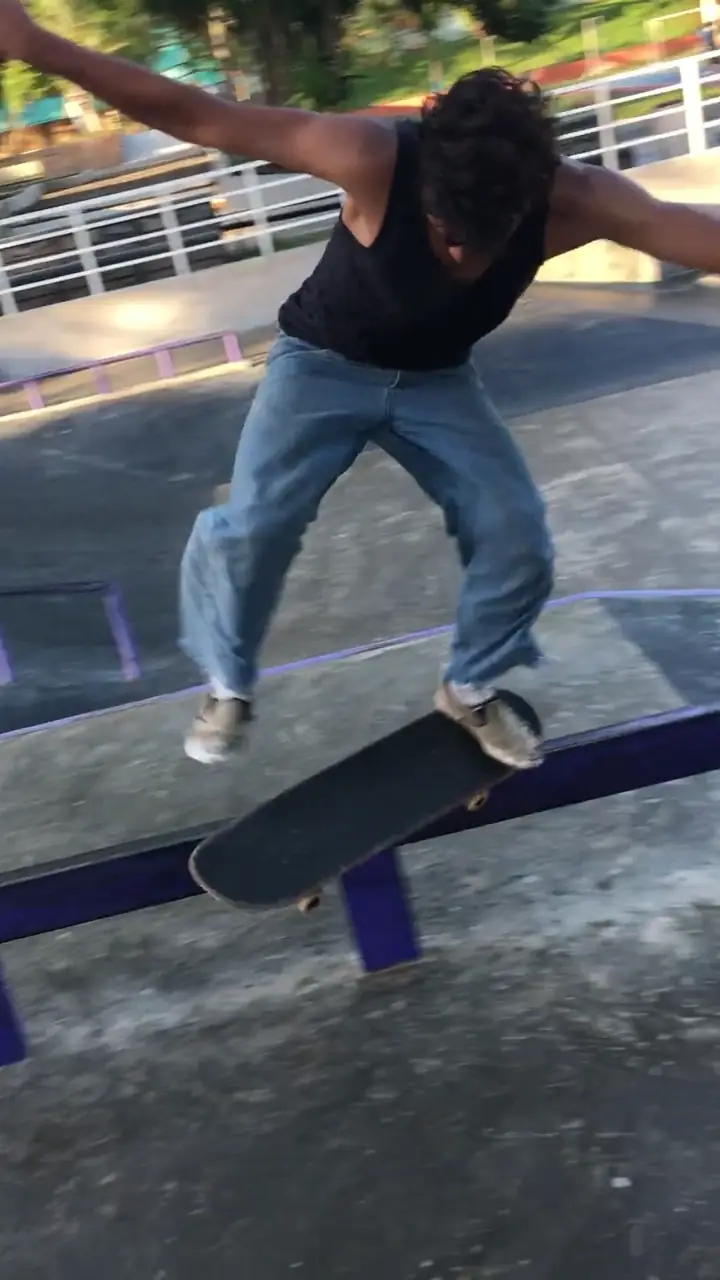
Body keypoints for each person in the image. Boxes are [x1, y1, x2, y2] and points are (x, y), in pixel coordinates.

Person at [2, 1, 719, 767]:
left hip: (436, 381)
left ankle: (469, 688)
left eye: (483, 244)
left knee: (516, 530)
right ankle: (227, 684)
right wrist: (37, 44)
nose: (459, 256)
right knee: (255, 526)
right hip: (320, 365)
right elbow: (199, 115)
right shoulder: (369, 154)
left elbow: (694, 232)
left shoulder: (579, 200)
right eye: (446, 232)